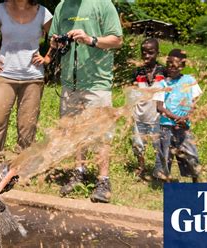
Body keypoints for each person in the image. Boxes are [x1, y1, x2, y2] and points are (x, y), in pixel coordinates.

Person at [49, 0, 123, 203]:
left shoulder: (103, 4)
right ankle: (78, 172)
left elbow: (117, 40)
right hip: (69, 82)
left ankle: (103, 180)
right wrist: (57, 42)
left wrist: (90, 39)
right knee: (73, 130)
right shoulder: (61, 6)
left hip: (97, 82)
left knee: (100, 132)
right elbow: (52, 42)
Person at [0, 0, 52, 170]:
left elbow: (57, 38)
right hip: (4, 75)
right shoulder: (0, 10)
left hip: (32, 78)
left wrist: (47, 58)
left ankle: (22, 167)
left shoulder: (42, 12)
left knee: (27, 126)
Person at [154, 49, 202, 183]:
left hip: (183, 127)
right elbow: (159, 107)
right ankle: (164, 182)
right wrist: (176, 118)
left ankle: (196, 181)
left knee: (191, 154)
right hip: (166, 127)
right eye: (168, 64)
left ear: (182, 66)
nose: (170, 68)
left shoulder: (189, 80)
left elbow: (194, 103)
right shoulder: (161, 83)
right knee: (165, 156)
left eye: (174, 65)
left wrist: (185, 117)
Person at [130, 38, 166, 180]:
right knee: (138, 144)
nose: (146, 56)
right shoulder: (137, 72)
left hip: (157, 117)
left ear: (157, 53)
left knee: (159, 145)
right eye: (143, 53)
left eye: (150, 53)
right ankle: (141, 165)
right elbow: (132, 92)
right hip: (139, 116)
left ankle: (159, 168)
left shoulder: (163, 71)